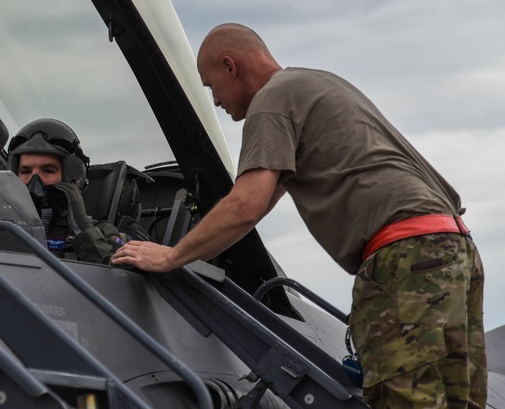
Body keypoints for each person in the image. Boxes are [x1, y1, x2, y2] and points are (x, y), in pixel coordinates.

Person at [111, 23, 485, 408]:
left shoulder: (272, 101)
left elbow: (245, 206)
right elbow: (267, 195)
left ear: (230, 66)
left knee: (405, 400)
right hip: (455, 251)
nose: (216, 101)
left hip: (405, 258)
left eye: (211, 86)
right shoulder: (316, 85)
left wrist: (171, 256)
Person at [8, 118, 125, 263]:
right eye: (25, 171)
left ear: (70, 180)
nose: (35, 181)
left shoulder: (103, 232)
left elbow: (119, 274)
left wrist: (83, 231)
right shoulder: (1, 226)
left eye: (48, 171)